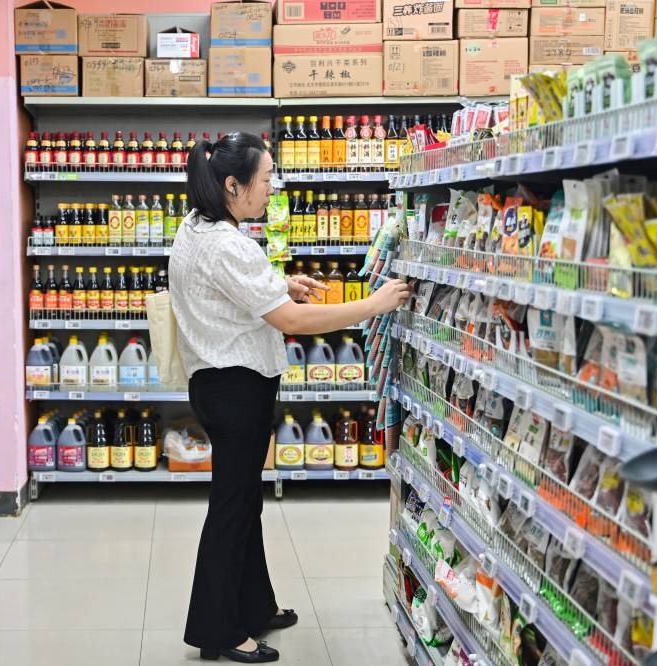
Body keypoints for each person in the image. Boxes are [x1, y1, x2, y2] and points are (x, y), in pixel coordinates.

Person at [169, 132, 410, 664]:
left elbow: (234, 291)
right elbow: (292, 321)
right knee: (231, 508)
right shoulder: (227, 243)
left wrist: (279, 282)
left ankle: (254, 607)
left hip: (217, 380)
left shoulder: (198, 226)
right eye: (265, 178)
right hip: (235, 388)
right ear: (233, 185)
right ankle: (218, 630)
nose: (272, 187)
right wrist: (373, 304)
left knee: (244, 500)